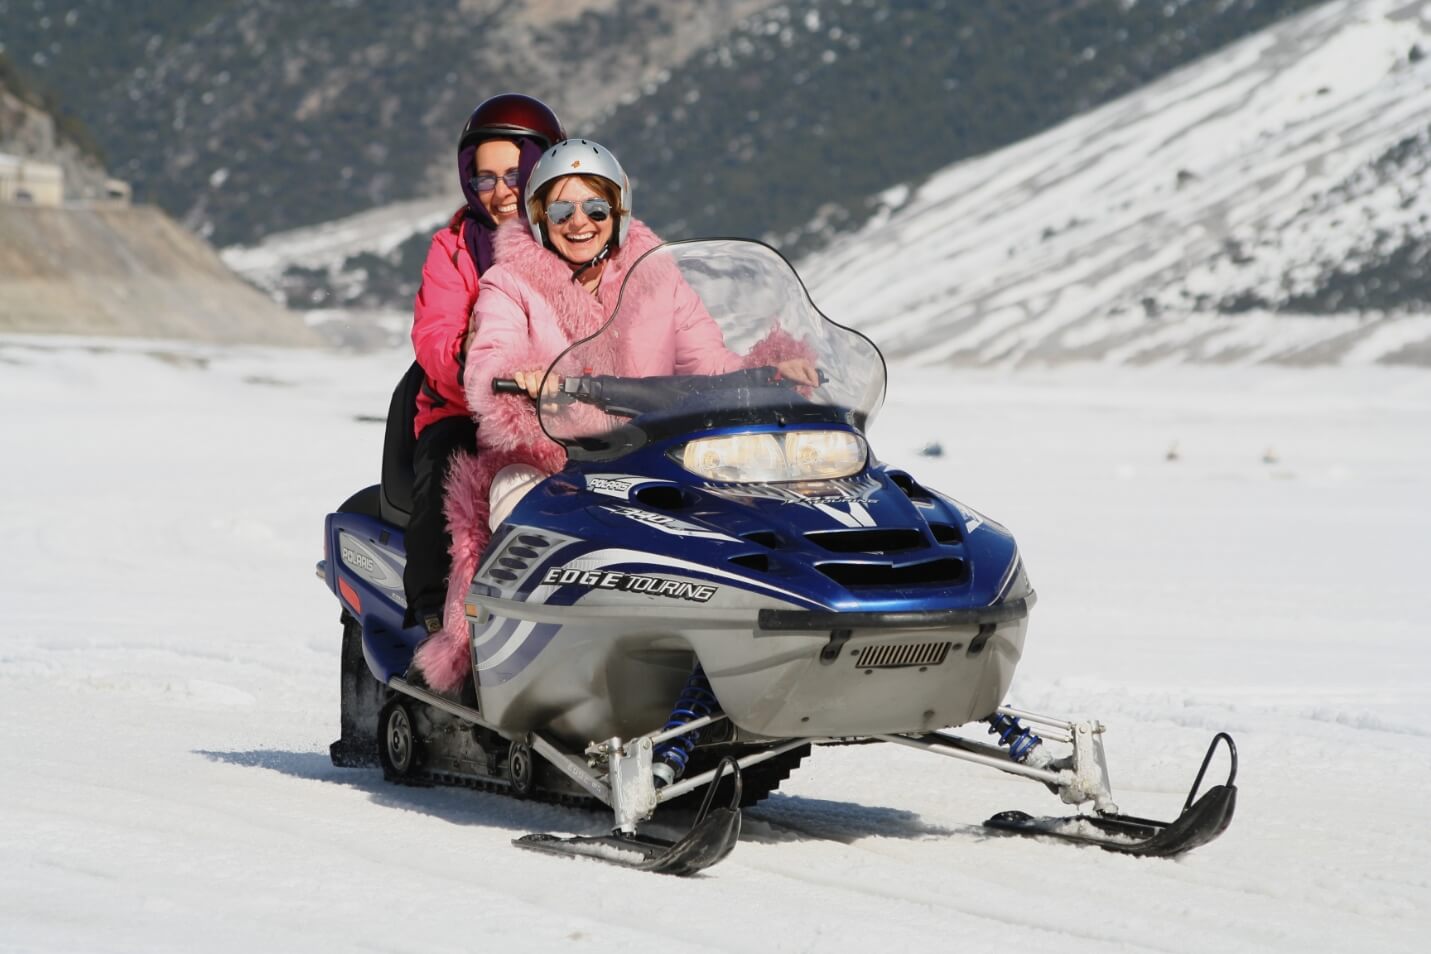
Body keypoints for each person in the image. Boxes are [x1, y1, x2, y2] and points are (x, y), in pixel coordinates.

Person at [411, 139, 815, 693]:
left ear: (618, 212)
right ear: (539, 217)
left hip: (652, 453)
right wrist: (522, 375)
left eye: (596, 209)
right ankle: (519, 666)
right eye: (563, 211)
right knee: (516, 500)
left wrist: (769, 371)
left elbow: (711, 363)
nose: (581, 223)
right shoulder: (510, 283)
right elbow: (487, 359)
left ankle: (729, 646)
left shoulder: (658, 278)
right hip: (551, 456)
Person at [402, 93, 564, 636]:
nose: (500, 193)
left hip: (564, 410)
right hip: (463, 409)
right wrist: (480, 367)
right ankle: (432, 607)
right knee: (446, 465)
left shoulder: (578, 235)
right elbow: (433, 335)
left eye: (516, 175)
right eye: (484, 178)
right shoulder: (452, 250)